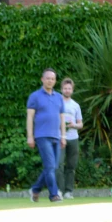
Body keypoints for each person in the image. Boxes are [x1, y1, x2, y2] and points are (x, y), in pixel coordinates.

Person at [27, 68, 66, 202]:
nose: (50, 80)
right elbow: (30, 117)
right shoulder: (35, 96)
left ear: (55, 81)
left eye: (53, 79)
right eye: (48, 78)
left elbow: (62, 118)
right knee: (50, 167)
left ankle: (35, 189)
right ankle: (54, 195)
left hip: (56, 136)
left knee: (52, 167)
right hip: (42, 136)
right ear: (42, 79)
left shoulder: (59, 97)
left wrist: (63, 136)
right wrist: (30, 136)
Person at [56, 77, 83, 199]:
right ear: (61, 89)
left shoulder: (76, 105)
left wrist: (74, 125)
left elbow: (80, 124)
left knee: (71, 166)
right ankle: (59, 191)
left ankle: (68, 191)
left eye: (69, 88)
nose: (67, 90)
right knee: (58, 165)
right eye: (65, 88)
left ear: (72, 90)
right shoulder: (56, 103)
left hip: (73, 138)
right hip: (59, 137)